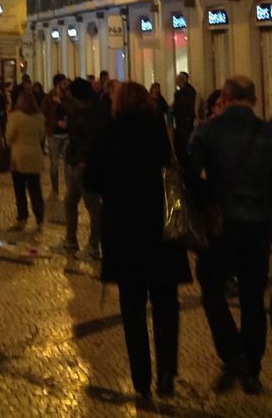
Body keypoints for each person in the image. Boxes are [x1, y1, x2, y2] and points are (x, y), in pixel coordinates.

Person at [187, 75, 272, 396]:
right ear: (255, 99)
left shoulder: (206, 131)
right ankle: (252, 368)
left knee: (211, 289)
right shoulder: (271, 134)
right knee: (252, 297)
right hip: (257, 227)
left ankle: (232, 353)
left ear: (225, 95)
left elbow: (190, 179)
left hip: (219, 227)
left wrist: (209, 197)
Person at [86, 81, 190, 401]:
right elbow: (179, 170)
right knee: (165, 305)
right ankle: (167, 374)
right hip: (160, 231)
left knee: (132, 308)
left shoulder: (109, 134)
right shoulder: (161, 132)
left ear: (117, 103)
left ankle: (141, 378)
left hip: (124, 231)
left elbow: (91, 179)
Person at [61, 77, 108, 258]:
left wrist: (83, 161)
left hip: (85, 164)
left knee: (93, 205)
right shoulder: (80, 111)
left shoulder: (91, 114)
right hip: (77, 162)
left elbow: (90, 140)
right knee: (70, 201)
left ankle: (94, 246)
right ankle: (71, 241)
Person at [5, 86, 46, 229]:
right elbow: (42, 136)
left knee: (20, 189)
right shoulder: (40, 117)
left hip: (18, 157)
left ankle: (22, 216)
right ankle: (39, 216)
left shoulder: (15, 116)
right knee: (35, 188)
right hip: (35, 156)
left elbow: (9, 137)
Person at [40, 75, 70, 196]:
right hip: (54, 135)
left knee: (67, 163)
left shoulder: (68, 98)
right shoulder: (48, 99)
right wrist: (57, 122)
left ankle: (69, 187)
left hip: (66, 134)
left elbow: (72, 111)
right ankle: (55, 187)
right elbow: (43, 116)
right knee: (55, 163)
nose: (65, 85)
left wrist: (62, 103)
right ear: (57, 84)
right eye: (63, 83)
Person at [172, 73, 197, 163]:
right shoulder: (190, 90)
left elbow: (182, 105)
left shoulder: (185, 92)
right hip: (184, 119)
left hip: (184, 119)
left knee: (185, 139)